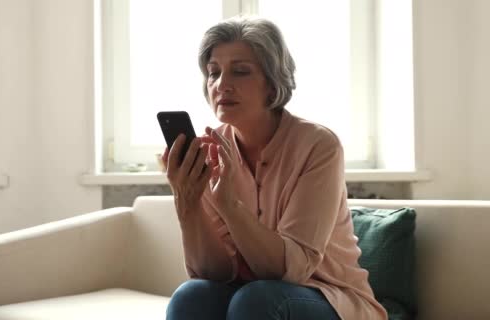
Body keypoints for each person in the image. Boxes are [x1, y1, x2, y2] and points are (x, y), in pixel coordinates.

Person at [161, 16, 388, 320]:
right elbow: (214, 273)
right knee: (192, 295)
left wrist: (228, 204)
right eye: (213, 73)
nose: (222, 84)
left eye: (240, 72)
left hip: (330, 298)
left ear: (272, 84)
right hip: (253, 296)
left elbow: (289, 271)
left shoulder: (318, 145)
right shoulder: (211, 150)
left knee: (258, 299)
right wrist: (186, 201)